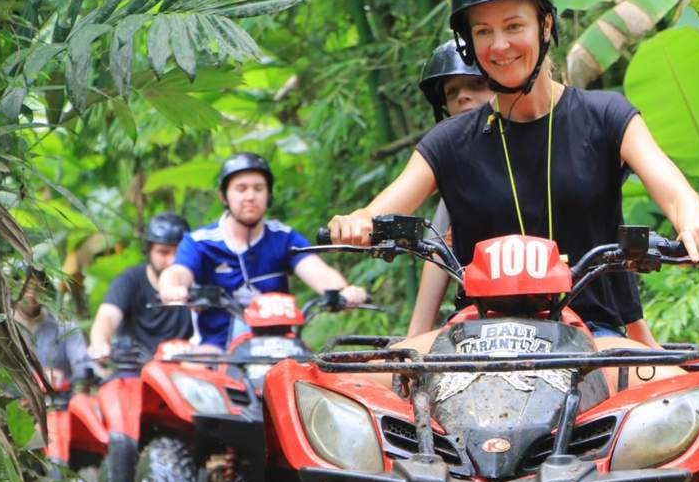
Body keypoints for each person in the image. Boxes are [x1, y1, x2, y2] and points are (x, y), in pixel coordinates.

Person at [327, 0, 699, 371]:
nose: (499, 45)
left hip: (591, 336)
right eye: (484, 31)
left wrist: (694, 227)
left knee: (672, 400)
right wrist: (357, 223)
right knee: (361, 388)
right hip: (473, 338)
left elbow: (677, 195)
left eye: (514, 26)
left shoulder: (606, 116)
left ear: (545, 26)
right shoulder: (449, 141)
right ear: (468, 42)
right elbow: (381, 211)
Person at [158, 152, 367, 349]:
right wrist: (171, 287)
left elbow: (316, 270)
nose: (250, 196)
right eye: (241, 189)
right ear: (224, 196)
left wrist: (344, 291)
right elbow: (178, 272)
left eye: (258, 188)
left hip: (278, 350)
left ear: (268, 195)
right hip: (217, 355)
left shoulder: (283, 237)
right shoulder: (200, 242)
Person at [406, 41, 494, 337]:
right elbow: (438, 250)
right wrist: (414, 338)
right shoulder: (456, 181)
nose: (463, 97)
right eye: (452, 92)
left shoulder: (552, 159)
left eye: (476, 84)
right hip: (478, 323)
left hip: (569, 317)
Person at [87, 211, 194, 363]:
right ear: (148, 251)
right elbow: (108, 315)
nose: (172, 261)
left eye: (179, 252)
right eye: (163, 252)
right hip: (135, 369)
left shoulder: (197, 282)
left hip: (184, 370)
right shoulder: (130, 280)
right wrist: (100, 343)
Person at [12, 267, 90, 389]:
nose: (31, 295)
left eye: (37, 289)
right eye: (25, 288)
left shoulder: (64, 327)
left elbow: (83, 365)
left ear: (45, 293)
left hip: (58, 401)